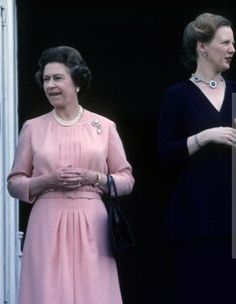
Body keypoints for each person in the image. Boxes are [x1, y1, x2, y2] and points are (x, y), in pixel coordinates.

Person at [7, 45, 134, 304]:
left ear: (76, 82)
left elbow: (126, 179)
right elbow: (14, 183)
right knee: (47, 294)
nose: (50, 85)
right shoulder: (32, 128)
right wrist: (47, 181)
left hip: (93, 225)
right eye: (45, 79)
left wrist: (94, 178)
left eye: (57, 78)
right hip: (47, 222)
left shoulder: (104, 127)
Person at [158, 12, 236, 304]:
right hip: (195, 218)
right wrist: (204, 137)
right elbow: (165, 155)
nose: (232, 49)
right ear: (202, 47)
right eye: (225, 42)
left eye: (233, 43)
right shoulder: (177, 96)